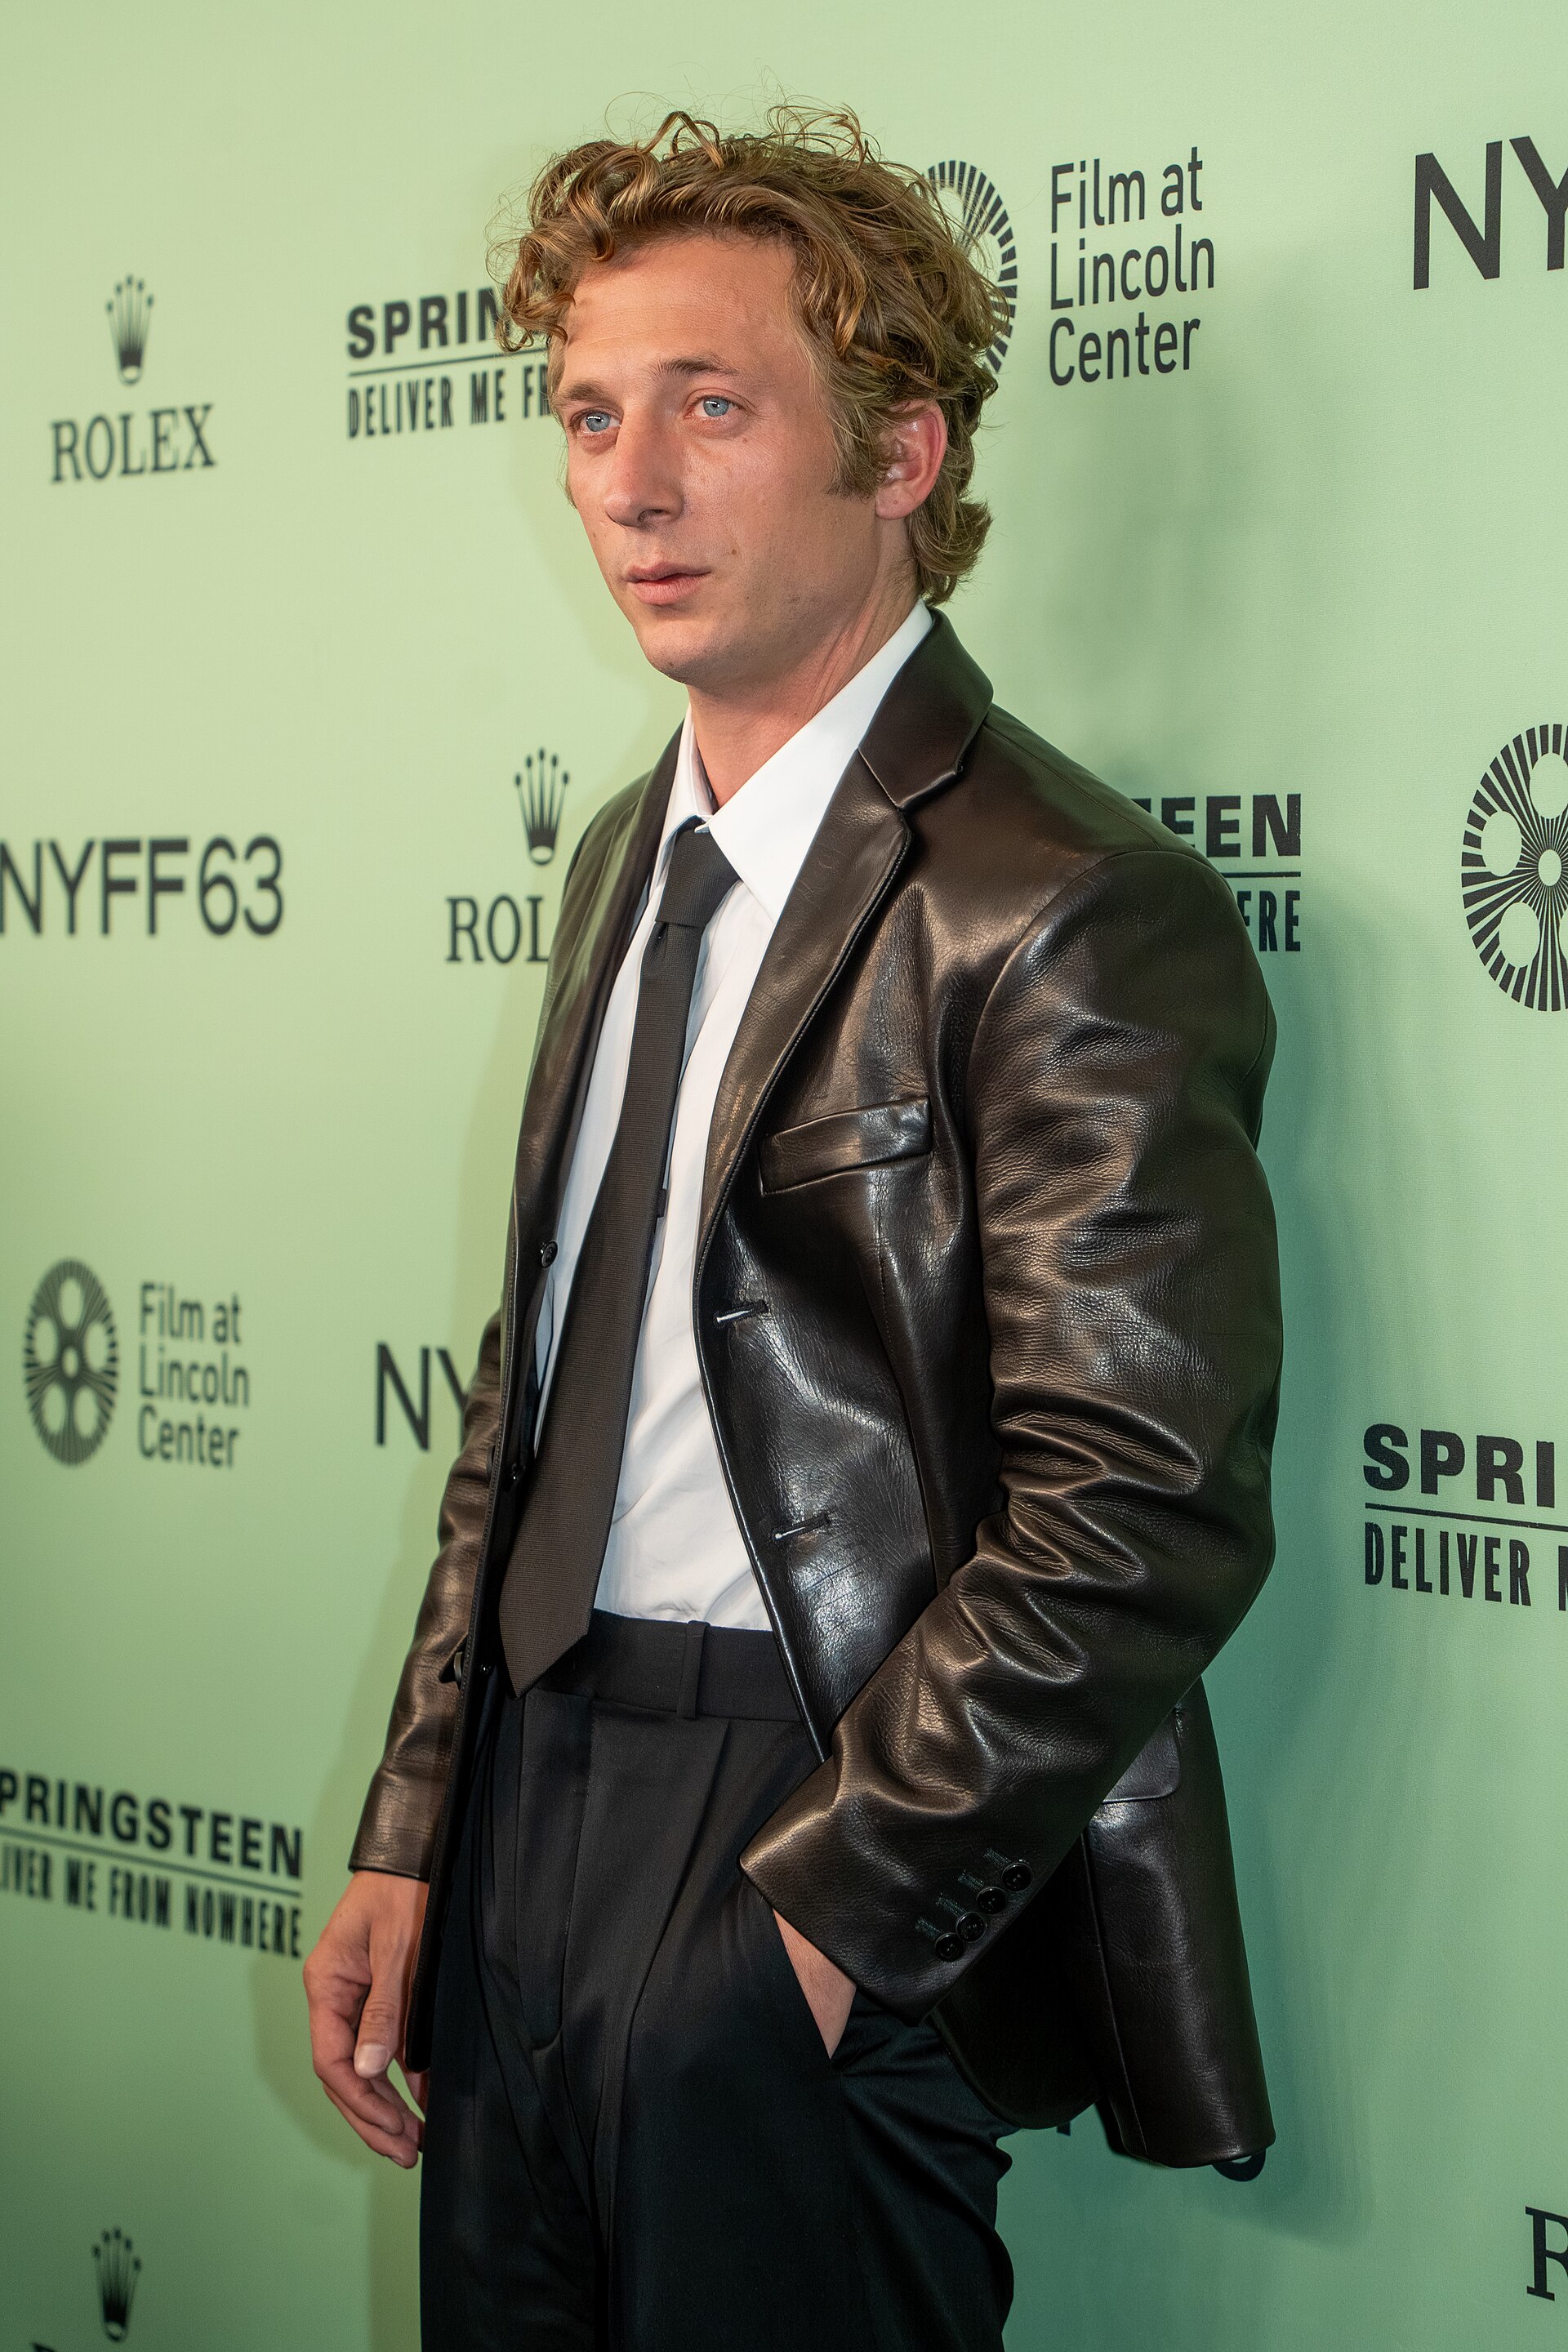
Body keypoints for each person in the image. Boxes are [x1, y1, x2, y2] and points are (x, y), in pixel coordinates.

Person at [304, 105, 1282, 2351]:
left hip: (815, 1799)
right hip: (532, 1794)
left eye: (712, 408)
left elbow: (1147, 1494)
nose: (630, 487)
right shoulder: (625, 859)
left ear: (901, 451)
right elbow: (534, 1395)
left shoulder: (1062, 899)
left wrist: (830, 1921)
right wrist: (421, 1819)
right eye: (590, 417)